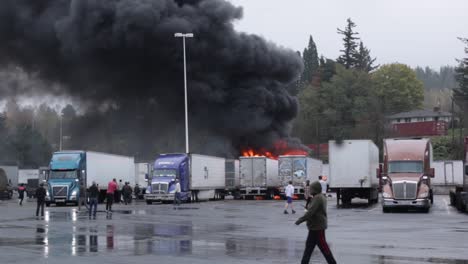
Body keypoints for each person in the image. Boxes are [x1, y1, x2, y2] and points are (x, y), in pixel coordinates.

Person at [295, 181, 337, 264]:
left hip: (318, 228)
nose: (310, 190)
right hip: (314, 227)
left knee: (324, 248)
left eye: (311, 188)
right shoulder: (318, 197)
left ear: (315, 189)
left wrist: (300, 220)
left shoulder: (318, 198)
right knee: (309, 248)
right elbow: (313, 209)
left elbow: (311, 212)